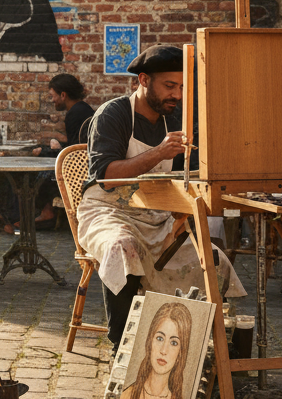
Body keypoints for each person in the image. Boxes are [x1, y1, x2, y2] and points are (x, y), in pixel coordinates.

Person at [78, 45, 244, 347]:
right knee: (122, 247)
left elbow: (183, 178)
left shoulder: (176, 119)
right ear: (143, 80)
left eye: (181, 87)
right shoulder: (113, 114)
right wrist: (159, 152)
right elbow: (107, 176)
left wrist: (185, 209)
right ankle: (120, 345)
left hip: (157, 216)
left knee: (213, 261)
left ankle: (192, 348)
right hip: (107, 211)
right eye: (169, 86)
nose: (176, 95)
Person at [119, 300, 193, 399]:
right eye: (159, 338)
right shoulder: (127, 397)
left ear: (180, 353)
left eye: (174, 343)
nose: (164, 350)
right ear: (150, 342)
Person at [32, 74, 95, 225]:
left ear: (63, 95)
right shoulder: (84, 109)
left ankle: (46, 212)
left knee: (40, 176)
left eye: (52, 96)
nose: (52, 100)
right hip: (87, 165)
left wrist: (47, 151)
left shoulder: (74, 114)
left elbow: (73, 153)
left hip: (80, 171)